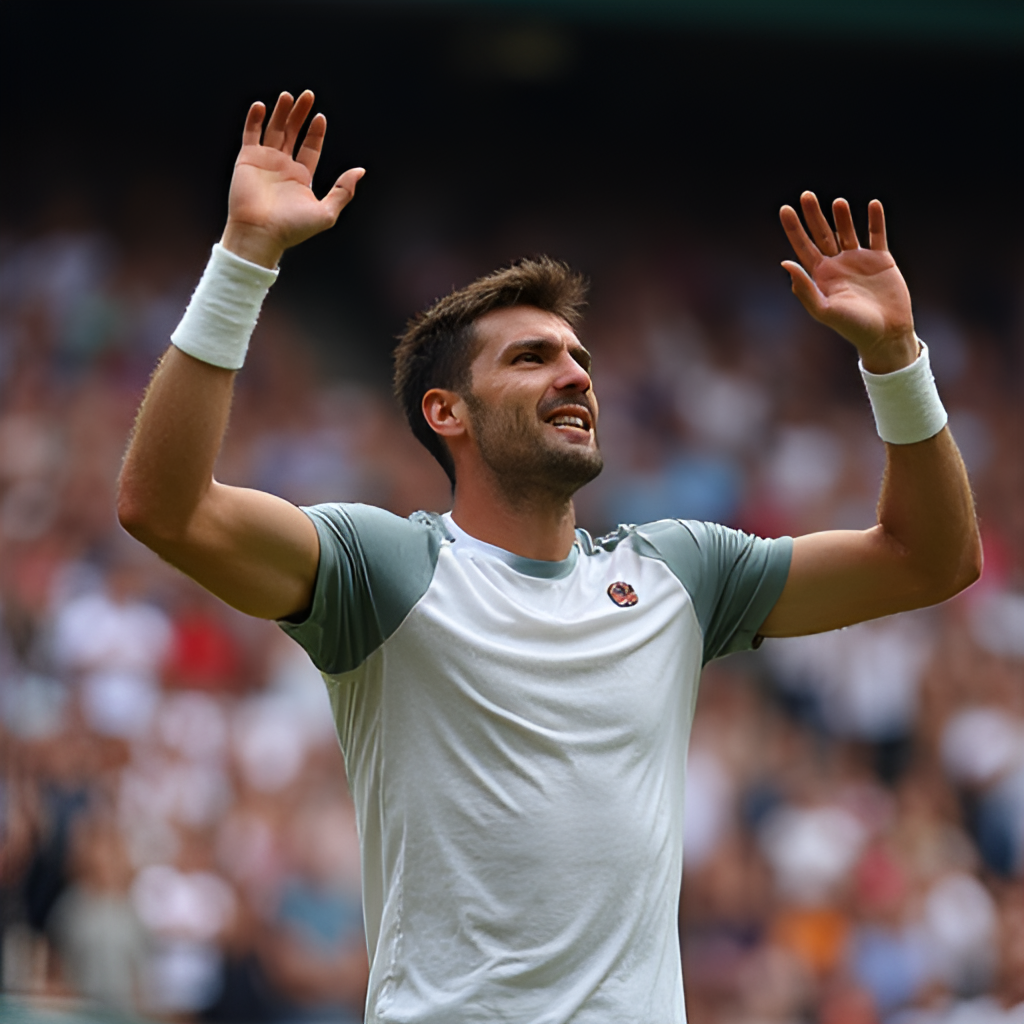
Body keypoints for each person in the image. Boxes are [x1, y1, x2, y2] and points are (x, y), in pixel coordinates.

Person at [117, 90, 981, 1024]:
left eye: (580, 359)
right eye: (531, 358)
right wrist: (244, 258)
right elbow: (166, 509)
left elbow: (929, 559)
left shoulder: (682, 572)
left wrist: (896, 358)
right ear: (447, 412)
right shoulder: (385, 568)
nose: (576, 375)